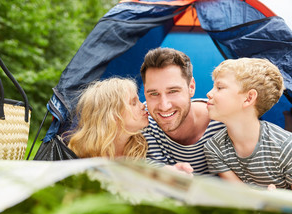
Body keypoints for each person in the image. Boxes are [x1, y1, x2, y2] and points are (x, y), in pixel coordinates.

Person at [204, 57, 292, 190]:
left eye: (220, 87)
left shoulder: (286, 148)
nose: (209, 93)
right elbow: (242, 197)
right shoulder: (214, 148)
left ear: (249, 98)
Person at [140, 47, 225, 175]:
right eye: (154, 93)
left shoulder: (225, 121)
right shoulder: (140, 120)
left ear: (191, 87)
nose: (164, 106)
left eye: (173, 91)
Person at [68, 77, 149, 160]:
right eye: (133, 103)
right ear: (113, 115)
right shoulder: (77, 154)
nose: (143, 105)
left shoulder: (144, 146)